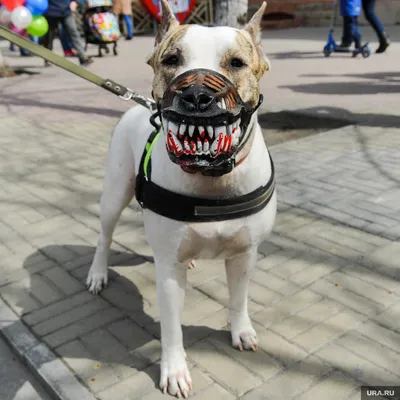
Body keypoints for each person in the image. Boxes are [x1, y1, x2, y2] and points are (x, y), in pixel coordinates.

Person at [43, 0, 93, 66]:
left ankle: (82, 57)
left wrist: (76, 2)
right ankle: (47, 58)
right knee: (49, 36)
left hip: (66, 11)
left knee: (73, 33)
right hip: (50, 12)